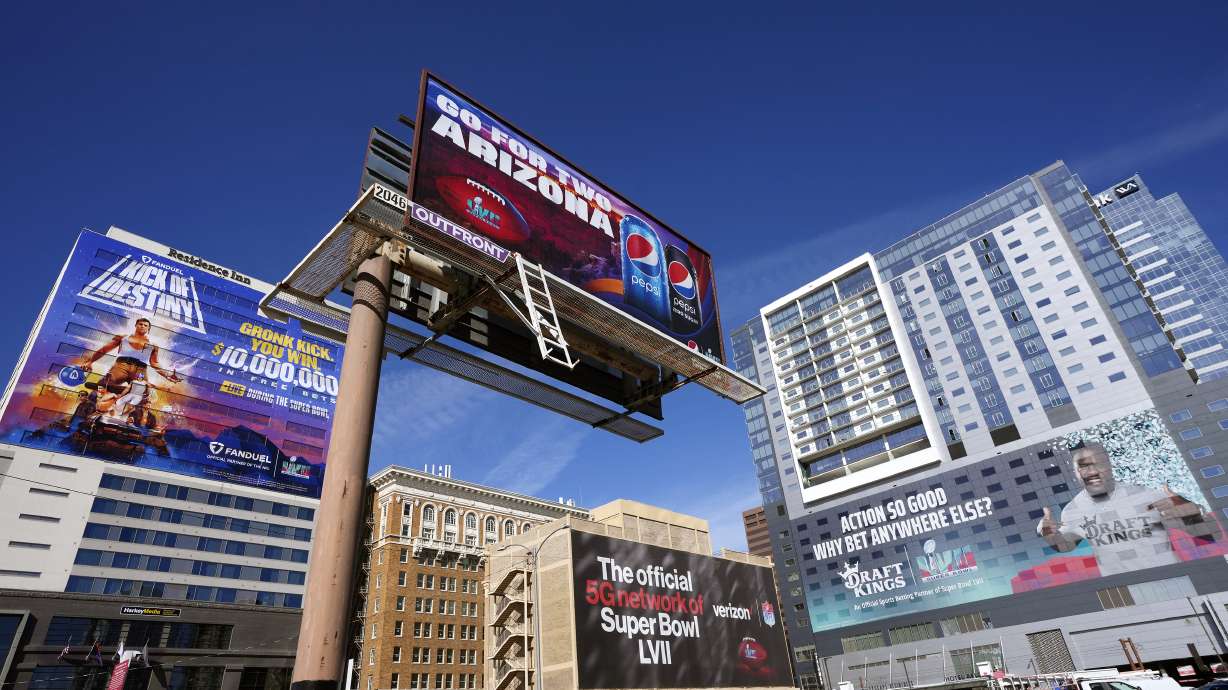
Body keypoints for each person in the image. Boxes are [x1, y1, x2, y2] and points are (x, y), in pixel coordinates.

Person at [1036, 442, 1222, 575]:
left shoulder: (1147, 496)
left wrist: (1194, 515)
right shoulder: (1072, 510)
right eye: (1083, 467)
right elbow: (1065, 545)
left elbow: (1213, 536)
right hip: (1125, 592)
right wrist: (1047, 535)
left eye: (1098, 464)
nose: (1092, 471)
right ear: (1075, 472)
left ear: (1109, 465)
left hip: (1174, 581)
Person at [78, 317, 180, 393]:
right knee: (104, 384)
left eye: (145, 325)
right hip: (122, 366)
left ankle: (128, 392)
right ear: (136, 325)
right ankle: (112, 390)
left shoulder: (153, 345)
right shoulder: (123, 338)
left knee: (143, 392)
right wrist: (91, 361)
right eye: (140, 324)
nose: (142, 326)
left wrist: (168, 375)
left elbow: (154, 363)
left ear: (148, 329)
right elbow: (104, 349)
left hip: (140, 371)